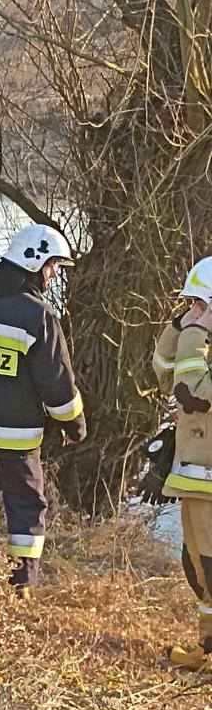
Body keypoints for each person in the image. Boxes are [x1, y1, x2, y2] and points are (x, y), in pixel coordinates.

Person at [0, 223, 86, 596]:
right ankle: (21, 584)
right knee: (26, 505)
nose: (54, 273)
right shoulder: (39, 318)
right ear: (36, 263)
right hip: (17, 438)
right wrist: (75, 427)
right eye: (53, 265)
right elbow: (58, 387)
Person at [152, 256, 212, 670]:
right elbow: (163, 372)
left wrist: (194, 333)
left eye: (202, 304)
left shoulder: (200, 342)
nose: (195, 313)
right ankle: (207, 647)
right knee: (198, 568)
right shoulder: (195, 335)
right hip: (195, 475)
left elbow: (192, 391)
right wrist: (180, 326)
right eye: (191, 303)